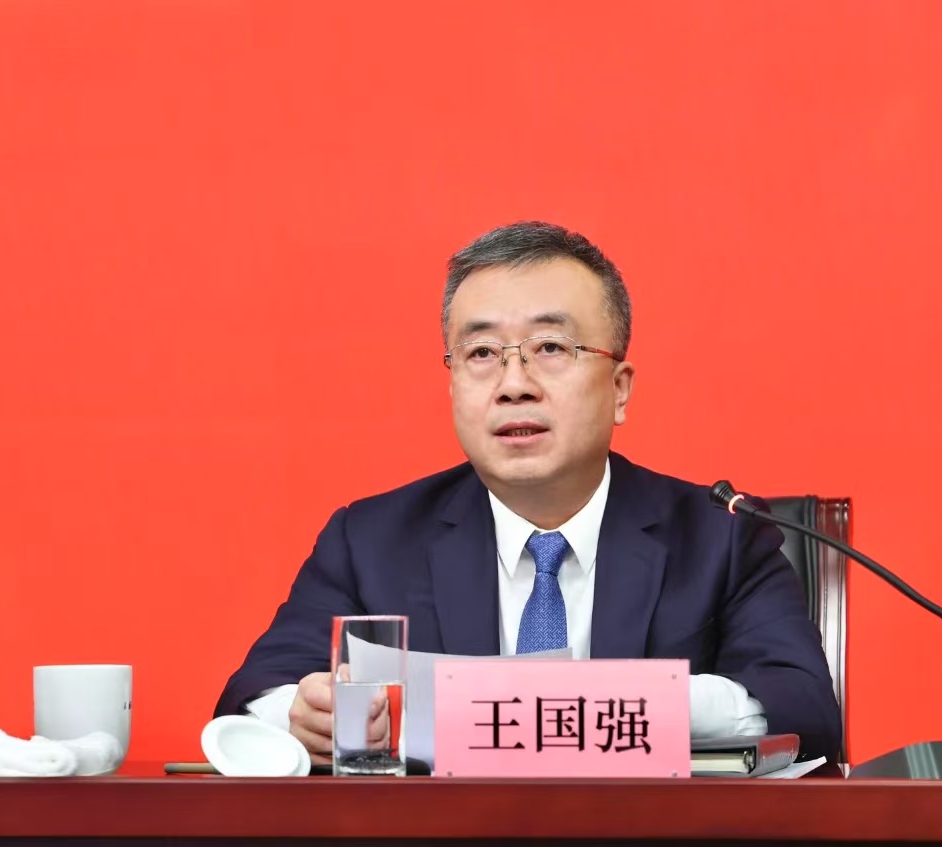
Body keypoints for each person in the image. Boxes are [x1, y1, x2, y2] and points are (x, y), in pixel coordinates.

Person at [214, 221, 842, 764]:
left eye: (550, 348)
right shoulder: (371, 541)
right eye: (481, 353)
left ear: (619, 389)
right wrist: (303, 716)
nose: (514, 384)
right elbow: (252, 699)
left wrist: (616, 704)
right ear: (452, 384)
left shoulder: (723, 538)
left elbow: (805, 709)